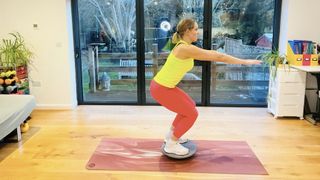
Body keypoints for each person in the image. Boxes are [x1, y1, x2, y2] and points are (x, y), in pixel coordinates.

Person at [150, 18, 262, 156]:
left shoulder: (182, 45)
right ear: (187, 31)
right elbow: (218, 56)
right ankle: (171, 144)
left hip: (164, 86)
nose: (198, 32)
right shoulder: (185, 48)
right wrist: (244, 61)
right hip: (161, 88)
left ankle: (171, 135)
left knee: (189, 105)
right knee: (191, 114)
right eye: (196, 29)